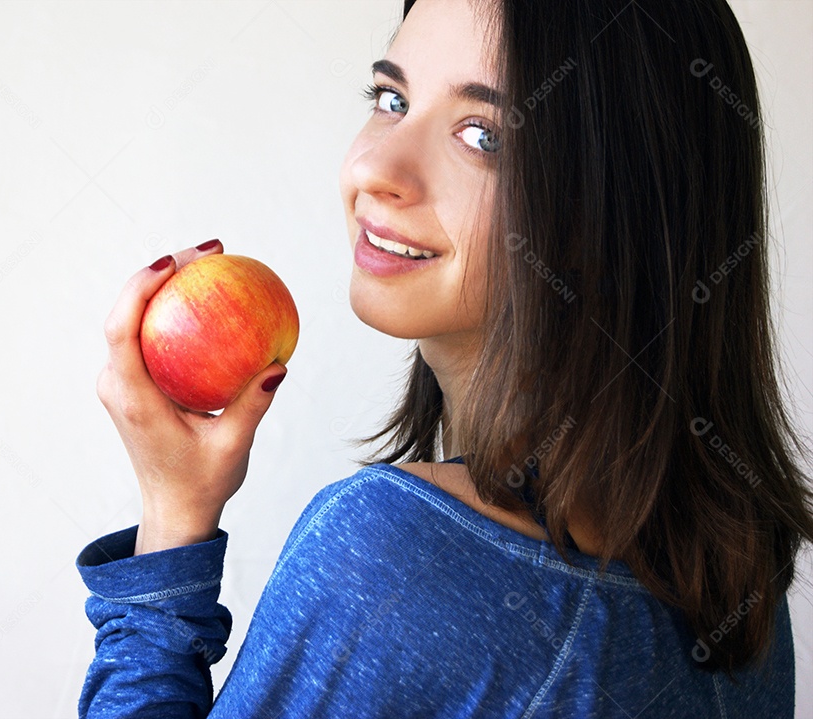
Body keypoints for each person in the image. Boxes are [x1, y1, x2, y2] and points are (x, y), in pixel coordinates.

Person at [76, 0, 813, 716]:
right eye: (391, 98)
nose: (376, 168)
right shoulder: (736, 572)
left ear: (618, 209)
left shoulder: (390, 554)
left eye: (484, 135)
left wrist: (172, 523)